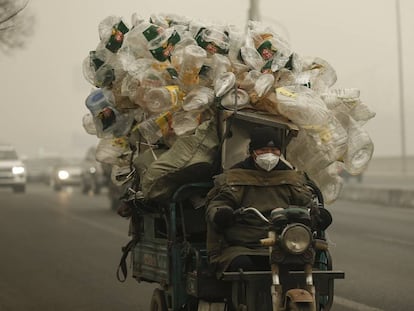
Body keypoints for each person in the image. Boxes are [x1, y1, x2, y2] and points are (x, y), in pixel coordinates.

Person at [205, 126, 314, 275]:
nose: (269, 155)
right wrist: (221, 213)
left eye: (274, 150)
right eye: (263, 150)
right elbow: (219, 203)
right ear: (252, 152)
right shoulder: (235, 177)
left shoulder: (291, 177)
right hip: (243, 245)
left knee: (302, 266)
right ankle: (242, 298)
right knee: (241, 265)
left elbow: (307, 202)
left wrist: (317, 214)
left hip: (285, 243)